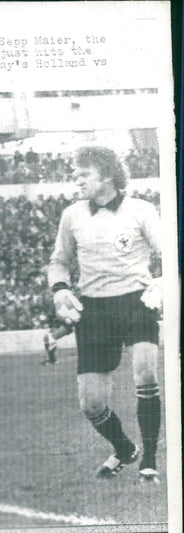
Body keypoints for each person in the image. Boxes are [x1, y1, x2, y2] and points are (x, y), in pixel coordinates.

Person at [48, 146, 163, 483]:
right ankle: (125, 449)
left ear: (107, 176)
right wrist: (60, 290)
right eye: (76, 173)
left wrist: (161, 283)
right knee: (91, 405)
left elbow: (168, 251)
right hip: (93, 308)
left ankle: (149, 464)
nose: (76, 178)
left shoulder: (141, 210)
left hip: (135, 301)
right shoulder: (72, 215)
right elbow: (59, 260)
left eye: (83, 173)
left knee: (145, 375)